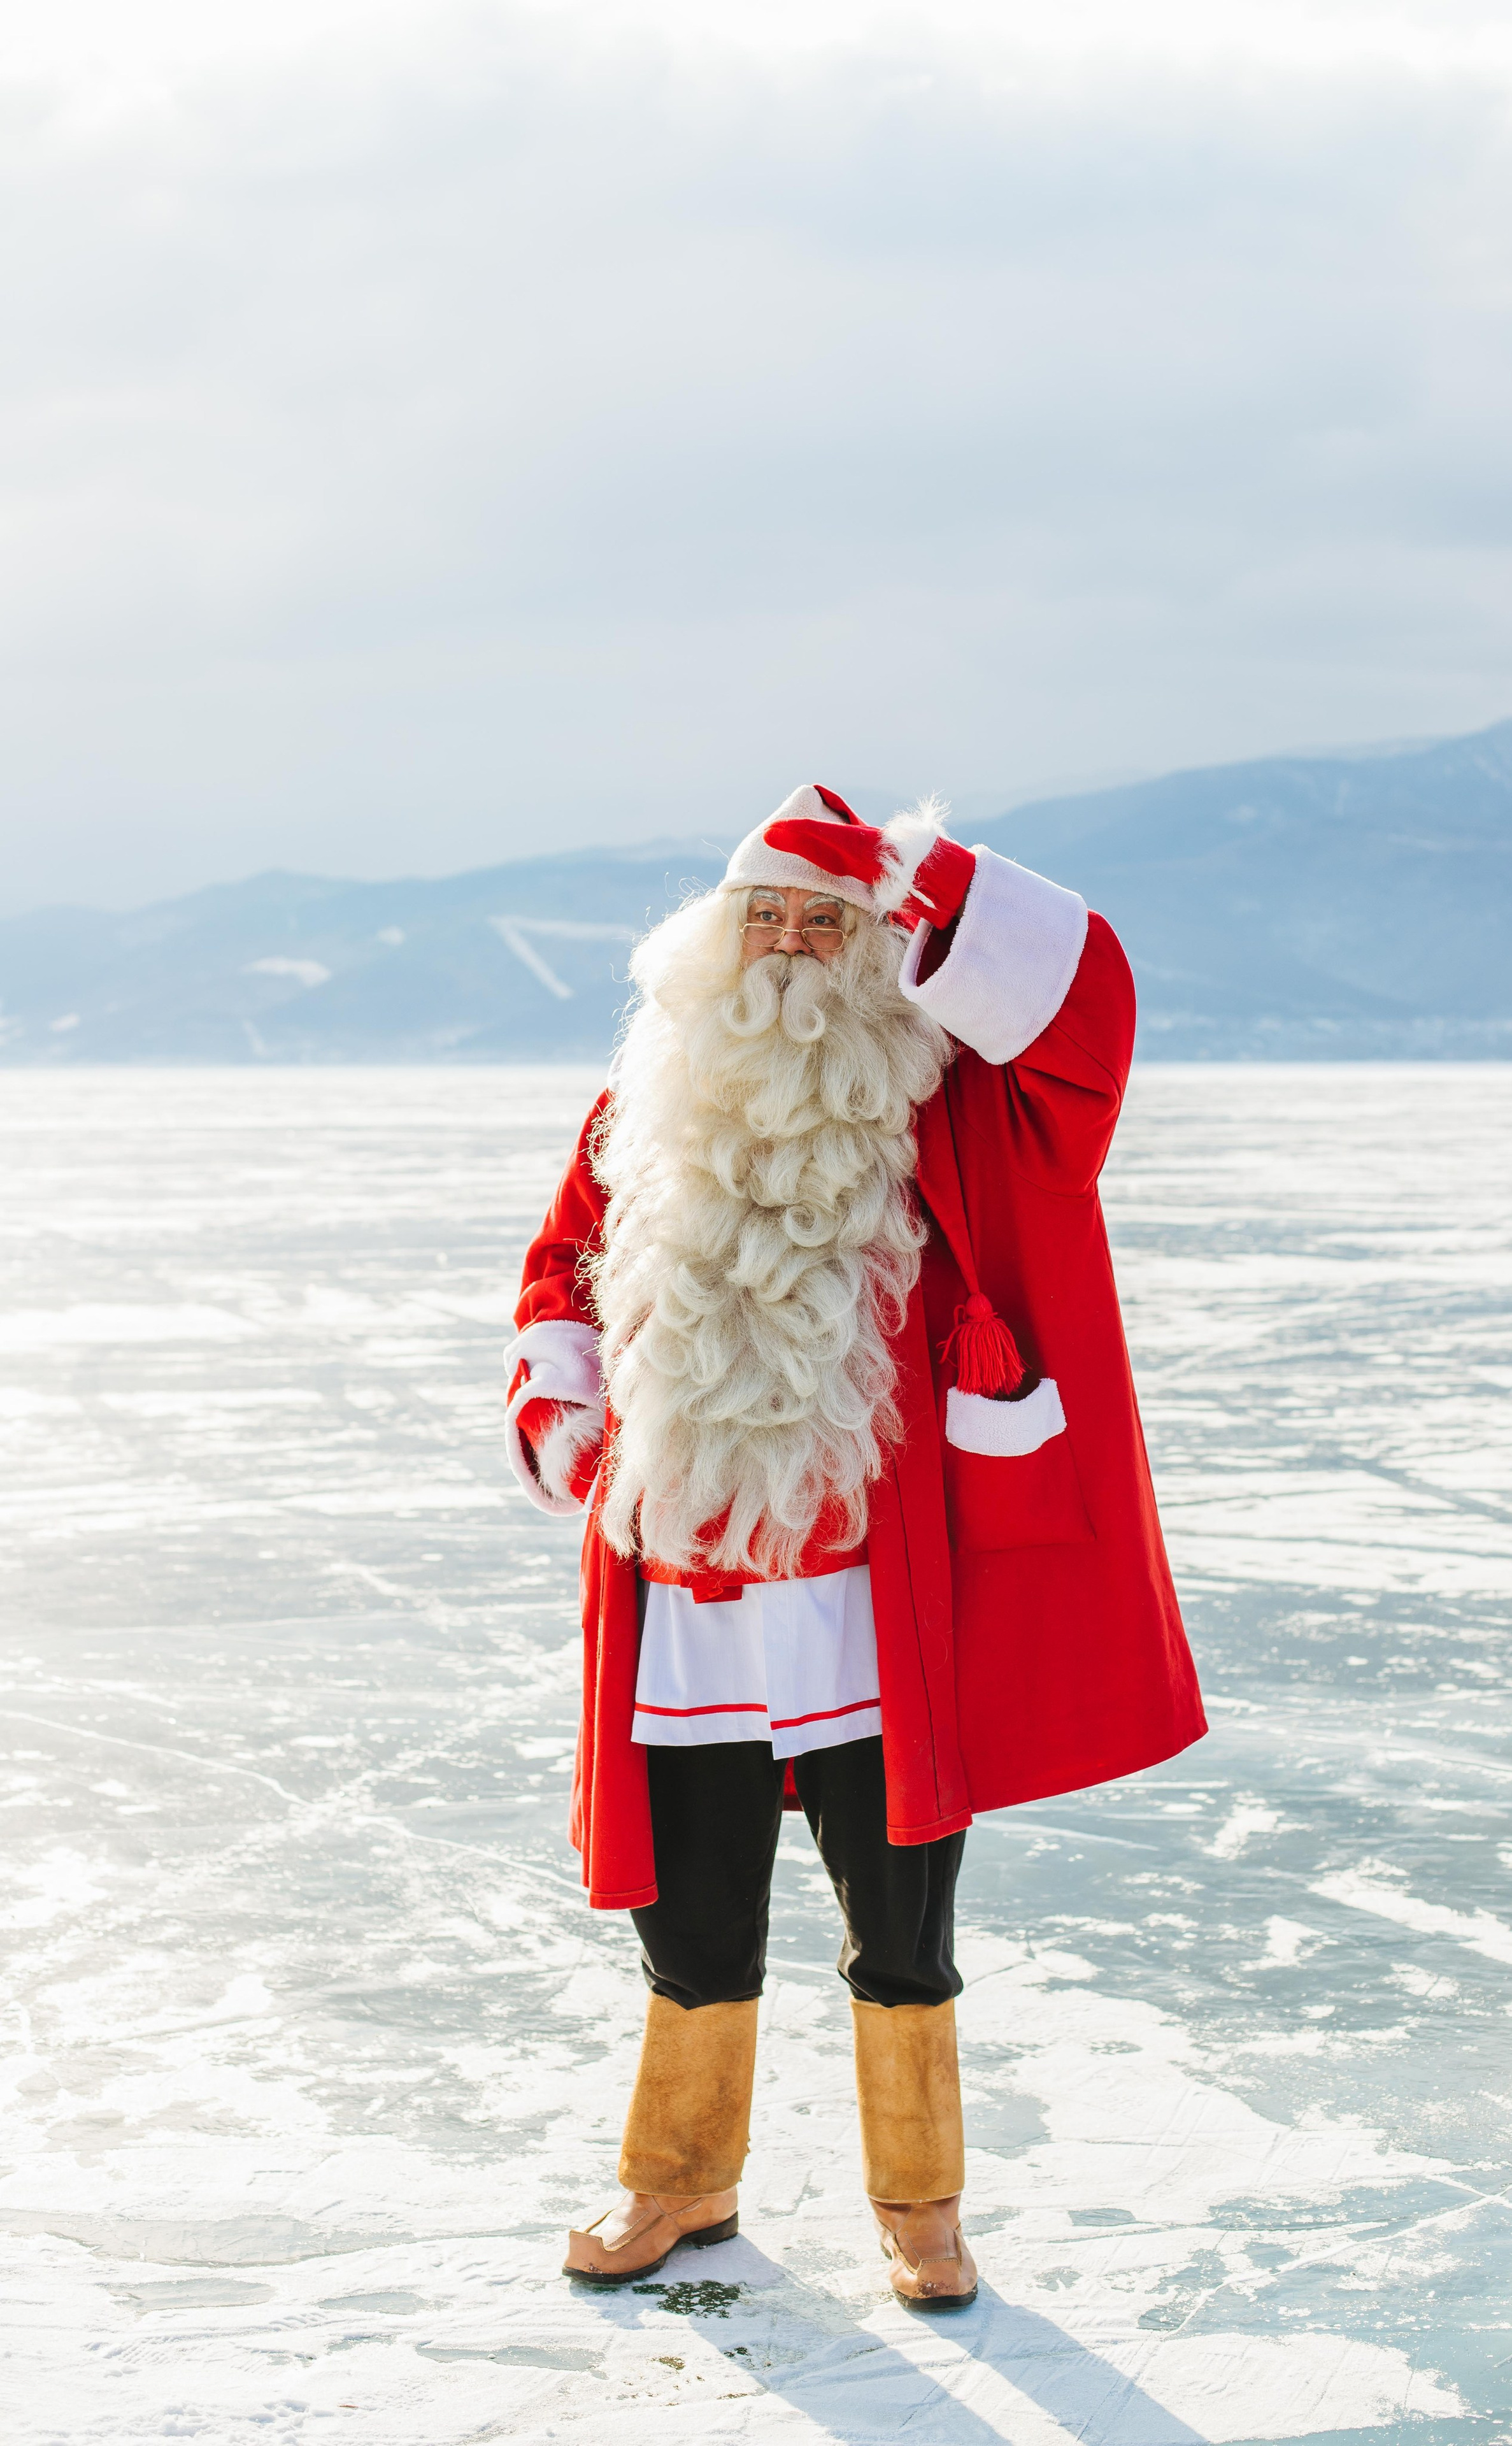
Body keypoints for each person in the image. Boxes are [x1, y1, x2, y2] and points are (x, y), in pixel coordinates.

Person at [503, 783, 1204, 2308]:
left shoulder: (958, 1100)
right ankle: (677, 2180)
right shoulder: (647, 1097)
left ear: (884, 947)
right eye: (767, 912)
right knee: (683, 1903)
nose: (790, 944)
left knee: (899, 1916)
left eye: (829, 919)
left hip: (872, 1597)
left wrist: (930, 865)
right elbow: (561, 1266)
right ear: (715, 932)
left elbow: (1086, 1012)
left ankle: (920, 2204)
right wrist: (559, 1403)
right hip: (685, 1577)